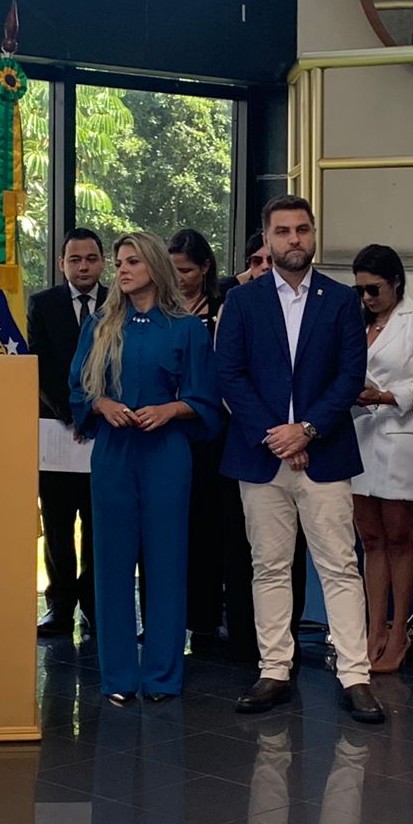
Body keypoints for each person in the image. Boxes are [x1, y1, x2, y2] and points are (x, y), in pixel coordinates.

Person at [216, 194, 384, 724]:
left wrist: (306, 430)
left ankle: (355, 676)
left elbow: (349, 376)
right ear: (267, 239)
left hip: (324, 453)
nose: (294, 239)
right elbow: (229, 375)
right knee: (268, 567)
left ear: (313, 235)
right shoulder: (241, 301)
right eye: (284, 231)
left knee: (340, 567)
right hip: (261, 456)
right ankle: (274, 670)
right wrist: (277, 437)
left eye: (302, 229)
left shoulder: (341, 301)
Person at [71, 232, 220, 705]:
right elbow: (78, 388)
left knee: (166, 561)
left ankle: (162, 676)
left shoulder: (187, 328)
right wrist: (102, 404)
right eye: (119, 263)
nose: (123, 270)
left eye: (132, 261)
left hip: (166, 453)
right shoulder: (99, 324)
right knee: (111, 561)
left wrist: (170, 409)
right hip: (114, 451)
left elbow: (205, 399)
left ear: (155, 267)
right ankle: (117, 676)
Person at [349, 244, 413, 674]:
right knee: (370, 539)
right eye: (360, 290)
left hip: (401, 435)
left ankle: (400, 629)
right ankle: (373, 630)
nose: (366, 298)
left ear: (396, 282)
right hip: (359, 435)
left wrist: (385, 395)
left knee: (399, 537)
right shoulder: (355, 322)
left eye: (374, 289)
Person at [27, 229, 108, 640]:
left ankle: (94, 606)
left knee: (97, 524)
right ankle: (59, 607)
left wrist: (94, 413)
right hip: (57, 429)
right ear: (62, 264)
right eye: (74, 259)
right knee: (58, 523)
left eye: (91, 258)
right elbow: (39, 364)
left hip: (105, 429)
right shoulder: (43, 304)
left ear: (102, 262)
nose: (83, 266)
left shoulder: (119, 301)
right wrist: (72, 413)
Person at [168, 228, 226, 654]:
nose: (179, 278)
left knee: (206, 528)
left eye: (186, 271)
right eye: (172, 270)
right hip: (167, 431)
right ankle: (165, 618)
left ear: (205, 268)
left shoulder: (223, 309)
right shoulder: (161, 310)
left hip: (210, 433)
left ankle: (205, 620)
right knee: (168, 528)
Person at [218, 231, 272, 299]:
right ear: (249, 264)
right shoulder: (226, 289)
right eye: (256, 261)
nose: (265, 266)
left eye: (272, 260)